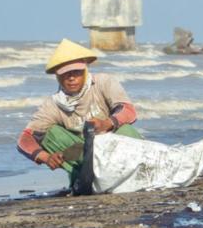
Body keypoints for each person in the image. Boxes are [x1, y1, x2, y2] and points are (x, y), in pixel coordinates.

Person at [17, 38, 142, 187]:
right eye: (65, 74)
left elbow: (128, 111)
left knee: (126, 129)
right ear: (58, 76)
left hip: (114, 147)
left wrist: (106, 123)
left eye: (76, 72)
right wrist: (45, 157)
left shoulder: (103, 82)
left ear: (85, 70)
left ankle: (139, 170)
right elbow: (25, 139)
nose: (71, 78)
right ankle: (81, 178)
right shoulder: (53, 104)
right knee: (50, 134)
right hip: (83, 155)